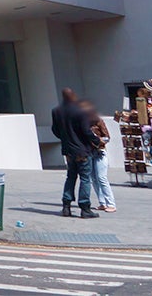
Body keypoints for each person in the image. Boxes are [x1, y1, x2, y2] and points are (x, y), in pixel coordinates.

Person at [51, 88, 96, 218]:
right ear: (73, 96)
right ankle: (85, 207)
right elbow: (86, 131)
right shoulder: (80, 111)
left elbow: (55, 130)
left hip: (68, 150)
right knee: (85, 178)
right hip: (82, 150)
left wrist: (66, 139)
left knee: (70, 177)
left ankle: (66, 206)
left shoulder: (56, 111)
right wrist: (96, 140)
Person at [83, 100, 116, 213]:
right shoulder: (83, 124)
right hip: (89, 152)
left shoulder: (99, 121)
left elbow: (107, 137)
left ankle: (111, 203)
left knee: (102, 177)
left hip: (100, 151)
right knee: (93, 178)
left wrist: (99, 141)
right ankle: (102, 202)